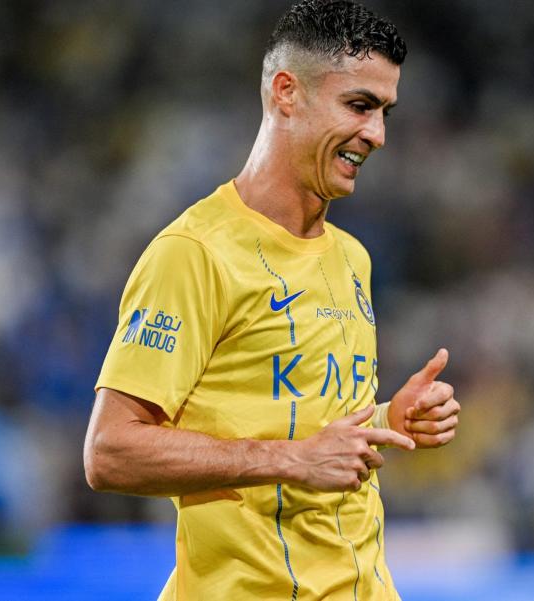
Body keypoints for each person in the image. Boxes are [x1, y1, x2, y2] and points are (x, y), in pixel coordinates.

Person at [83, 2, 460, 599]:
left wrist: (391, 419)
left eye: (385, 112)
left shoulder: (351, 258)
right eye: (359, 105)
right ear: (287, 92)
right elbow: (109, 452)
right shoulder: (195, 252)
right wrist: (287, 460)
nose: (377, 134)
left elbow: (313, 435)